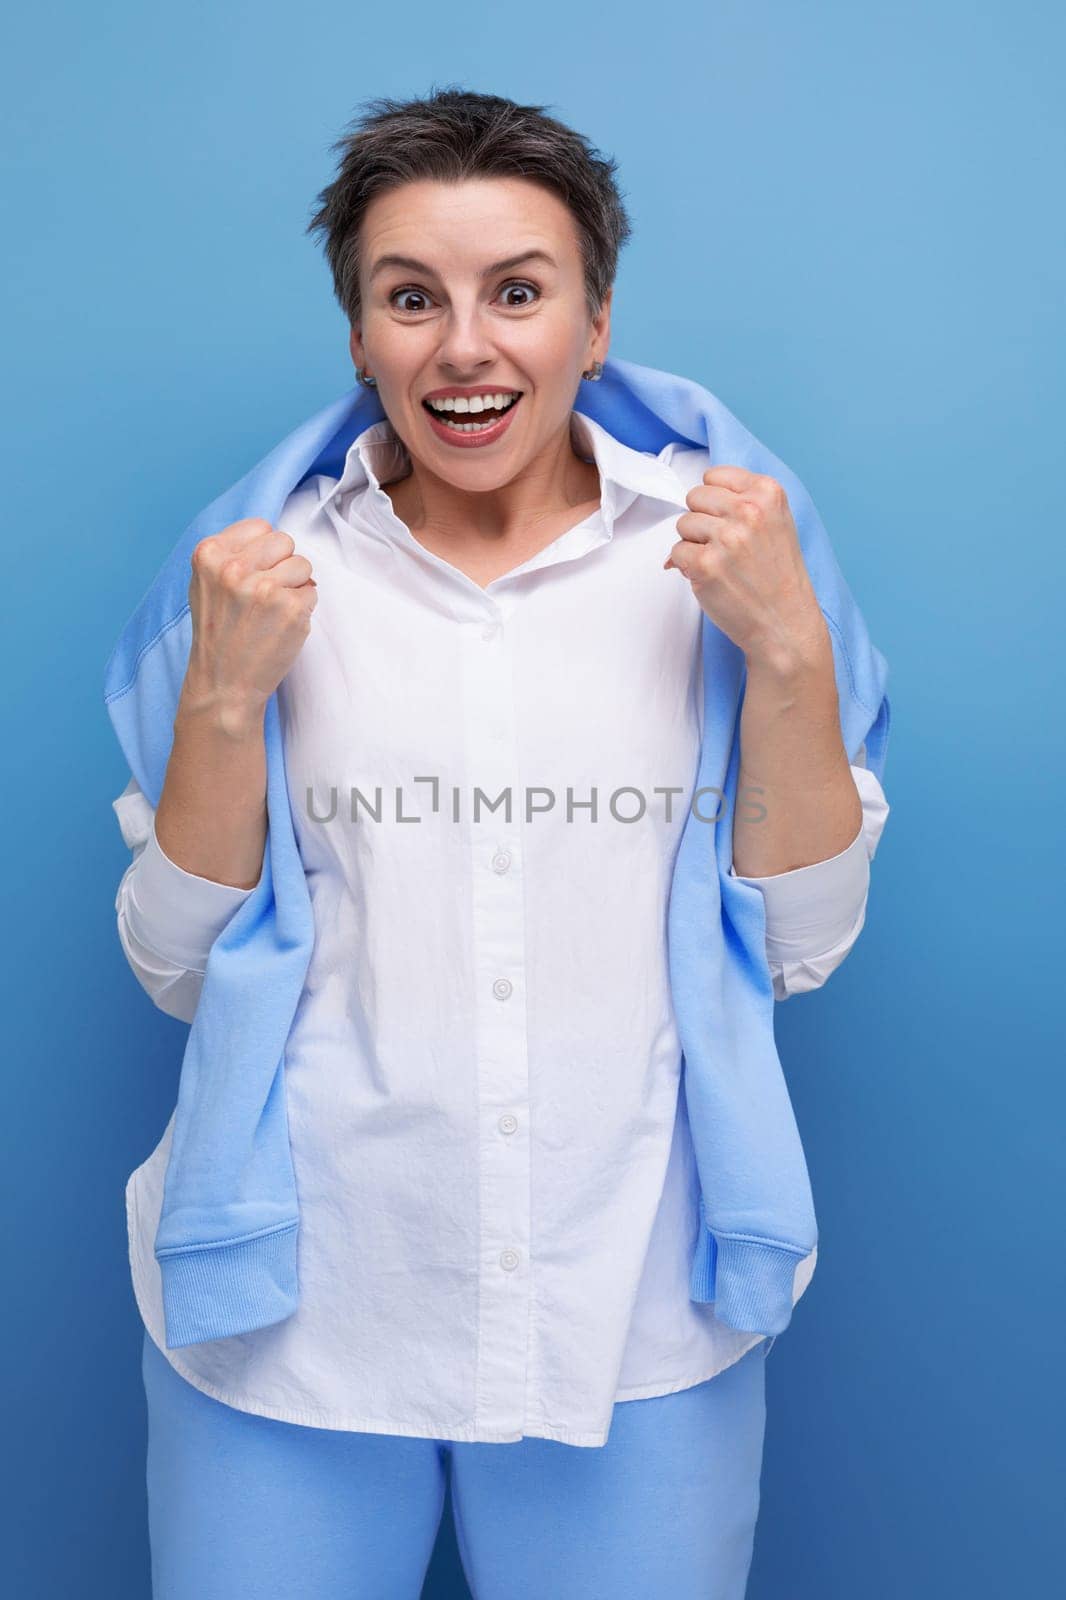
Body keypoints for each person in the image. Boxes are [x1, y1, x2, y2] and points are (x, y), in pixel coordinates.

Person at [108, 86, 890, 1599]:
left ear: (592, 324)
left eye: (515, 293)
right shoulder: (268, 577)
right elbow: (173, 970)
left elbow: (801, 947)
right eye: (412, 299)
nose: (463, 345)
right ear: (360, 338)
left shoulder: (725, 563)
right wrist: (221, 702)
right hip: (294, 1319)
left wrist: (787, 656)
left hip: (633, 1314)